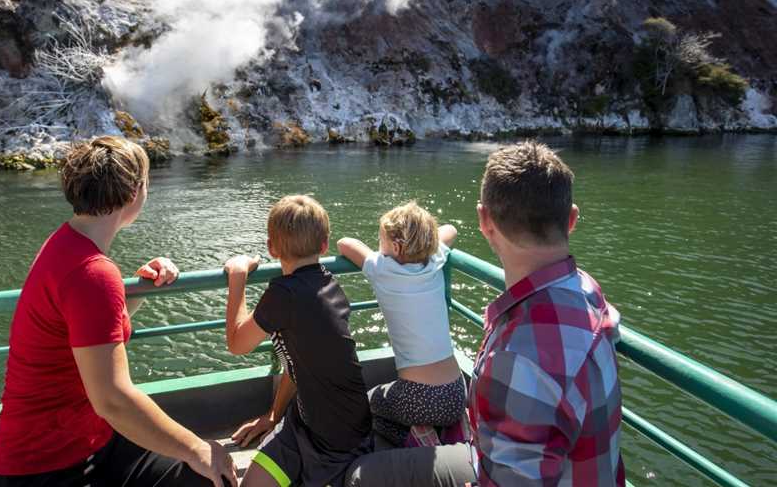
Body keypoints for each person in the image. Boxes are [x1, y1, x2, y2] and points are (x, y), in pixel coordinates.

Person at [345, 141, 625, 486]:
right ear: (571, 220)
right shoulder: (588, 291)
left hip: (496, 468)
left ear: (484, 220)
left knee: (359, 476)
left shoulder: (520, 356)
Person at [0, 136, 236, 487]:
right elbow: (112, 399)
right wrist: (196, 448)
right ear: (134, 193)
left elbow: (90, 338)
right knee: (208, 472)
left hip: (90, 441)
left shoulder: (66, 243)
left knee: (201, 478)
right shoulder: (92, 273)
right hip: (43, 468)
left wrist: (136, 290)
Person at [222, 194, 372, 487]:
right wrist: (273, 416)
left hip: (338, 444)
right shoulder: (328, 284)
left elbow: (237, 344)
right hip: (304, 425)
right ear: (324, 245)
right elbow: (298, 364)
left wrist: (237, 275)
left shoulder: (284, 295)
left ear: (271, 248)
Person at [336, 201, 466, 447]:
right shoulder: (435, 257)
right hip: (457, 393)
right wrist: (425, 243)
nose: (378, 245)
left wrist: (379, 253)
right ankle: (443, 431)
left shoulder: (381, 268)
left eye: (380, 239)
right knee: (414, 410)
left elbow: (345, 243)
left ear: (395, 246)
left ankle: (418, 438)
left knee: (367, 406)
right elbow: (451, 229)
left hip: (417, 397)